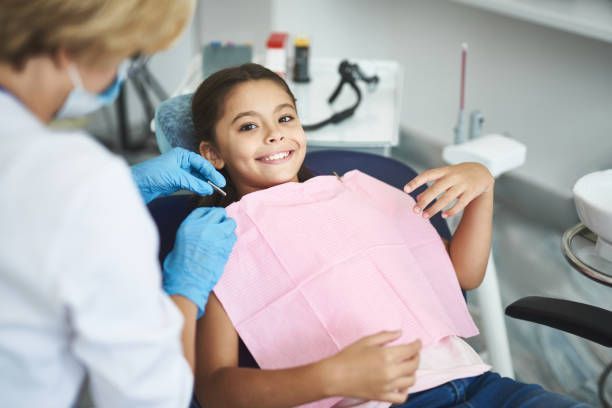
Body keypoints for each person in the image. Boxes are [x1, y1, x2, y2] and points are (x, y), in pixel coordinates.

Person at [187, 64, 590, 407]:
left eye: (285, 117)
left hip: (483, 385)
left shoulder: (361, 192)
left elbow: (461, 276)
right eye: (249, 126)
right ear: (213, 153)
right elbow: (214, 388)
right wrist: (330, 378)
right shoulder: (222, 239)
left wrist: (482, 188)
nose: (274, 134)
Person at [0, 1, 236, 407]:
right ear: (75, 45)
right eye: (124, 56)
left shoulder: (76, 184)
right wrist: (185, 290)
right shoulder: (79, 182)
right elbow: (152, 398)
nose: (118, 77)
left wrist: (122, 190)